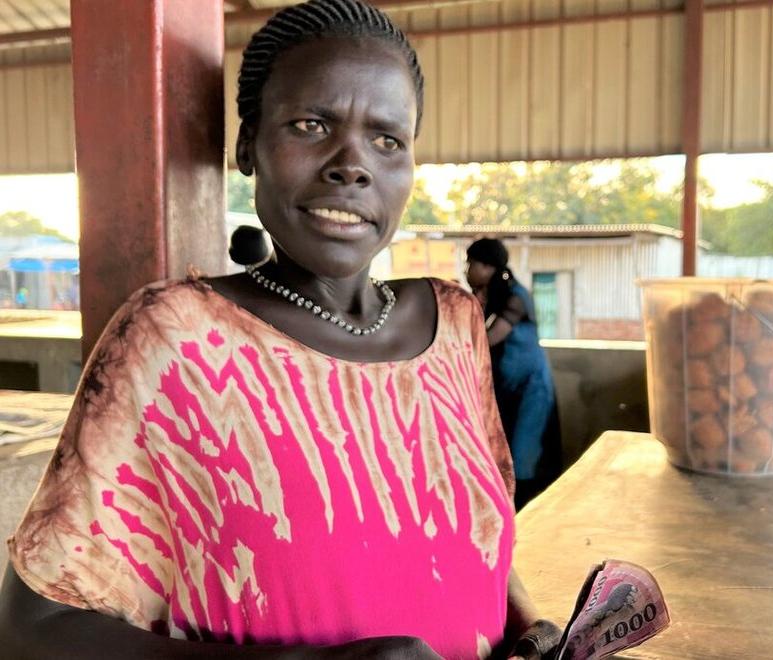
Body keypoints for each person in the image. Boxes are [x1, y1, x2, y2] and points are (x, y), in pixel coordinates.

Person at [0, 2, 562, 658]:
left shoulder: (455, 324)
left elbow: (473, 535)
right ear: (249, 146)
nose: (352, 164)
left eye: (387, 140)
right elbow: (30, 626)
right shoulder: (177, 338)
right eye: (311, 125)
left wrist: (528, 624)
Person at [465, 239, 562, 511]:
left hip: (531, 388)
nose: (467, 270)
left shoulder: (516, 297)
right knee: (503, 453)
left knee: (522, 454)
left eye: (471, 264)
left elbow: (489, 338)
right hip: (507, 389)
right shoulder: (493, 295)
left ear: (488, 267)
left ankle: (526, 515)